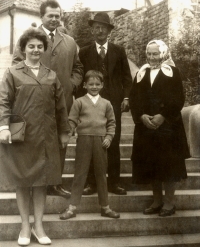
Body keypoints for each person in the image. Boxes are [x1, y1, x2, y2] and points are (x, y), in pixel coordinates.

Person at [0, 28, 71, 245]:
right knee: (22, 181)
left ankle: (38, 226)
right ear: (23, 49)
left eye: (40, 46)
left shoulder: (51, 75)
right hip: (21, 136)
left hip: (46, 136)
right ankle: (24, 226)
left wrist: (64, 131)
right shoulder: (12, 73)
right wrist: (3, 126)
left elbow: (61, 107)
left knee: (41, 182)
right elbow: (3, 102)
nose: (36, 50)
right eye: (31, 46)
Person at [12, 0, 83, 198]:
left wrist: (72, 84)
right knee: (34, 141)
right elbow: (17, 63)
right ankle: (34, 183)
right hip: (34, 101)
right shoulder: (29, 39)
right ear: (41, 16)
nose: (54, 19)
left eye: (57, 16)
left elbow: (78, 67)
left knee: (61, 141)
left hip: (63, 102)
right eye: (50, 15)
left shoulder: (69, 41)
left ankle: (55, 183)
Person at [129, 40, 190, 217]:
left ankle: (169, 203)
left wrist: (162, 116)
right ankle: (157, 201)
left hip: (168, 127)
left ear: (163, 54)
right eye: (149, 53)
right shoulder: (141, 73)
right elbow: (134, 99)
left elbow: (178, 98)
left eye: (155, 54)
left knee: (169, 166)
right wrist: (141, 116)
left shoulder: (173, 73)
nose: (152, 57)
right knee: (151, 164)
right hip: (146, 127)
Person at [77, 12, 132, 195]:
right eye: (96, 27)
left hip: (114, 103)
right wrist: (79, 102)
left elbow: (126, 77)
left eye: (103, 27)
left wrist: (126, 98)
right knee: (93, 141)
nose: (99, 31)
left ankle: (114, 182)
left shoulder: (119, 51)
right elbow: (79, 78)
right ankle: (92, 183)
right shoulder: (84, 52)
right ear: (92, 30)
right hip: (91, 103)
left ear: (109, 31)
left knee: (113, 141)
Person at [60, 70, 120, 220]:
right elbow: (72, 120)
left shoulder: (106, 103)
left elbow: (112, 123)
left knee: (101, 174)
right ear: (85, 85)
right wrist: (70, 131)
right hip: (84, 140)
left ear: (102, 85)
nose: (94, 86)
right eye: (91, 84)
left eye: (97, 84)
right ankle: (72, 207)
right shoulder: (79, 102)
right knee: (80, 173)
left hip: (101, 141)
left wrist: (109, 137)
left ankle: (105, 207)